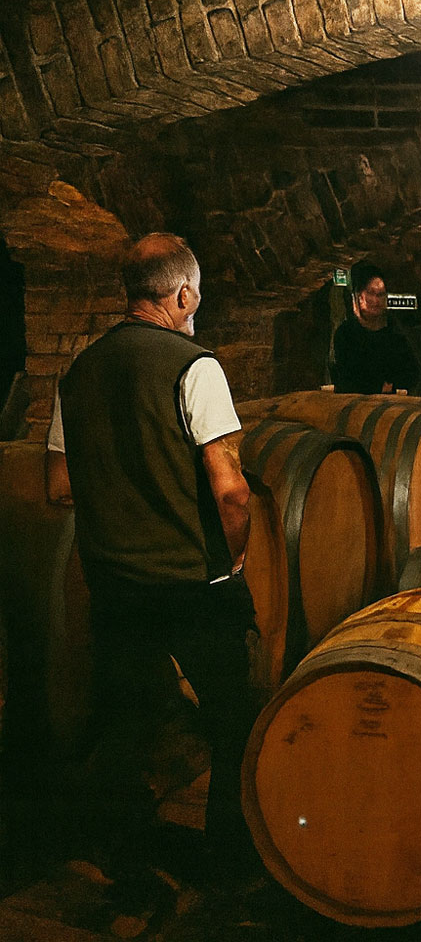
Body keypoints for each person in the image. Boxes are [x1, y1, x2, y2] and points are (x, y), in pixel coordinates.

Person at [44, 233, 259, 902]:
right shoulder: (194, 366)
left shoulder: (77, 371)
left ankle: (128, 862)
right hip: (194, 583)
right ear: (183, 294)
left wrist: (124, 491)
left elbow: (58, 487)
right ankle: (228, 862)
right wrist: (235, 553)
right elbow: (232, 491)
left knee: (128, 721)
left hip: (114, 581)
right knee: (236, 720)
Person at [330, 260, 419, 394]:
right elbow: (347, 378)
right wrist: (377, 387)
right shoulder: (346, 334)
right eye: (371, 293)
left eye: (381, 294)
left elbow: (412, 374)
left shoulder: (395, 335)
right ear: (360, 296)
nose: (377, 301)